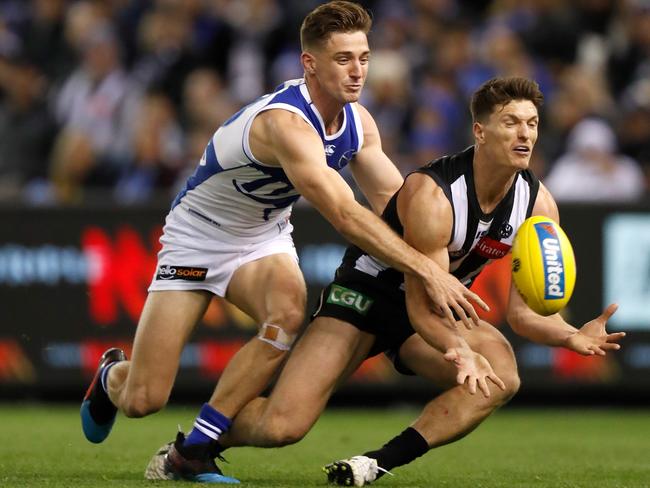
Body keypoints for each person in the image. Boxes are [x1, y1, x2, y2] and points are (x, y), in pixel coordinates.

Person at [80, 1, 488, 484]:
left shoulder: (360, 123)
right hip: (198, 236)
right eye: (343, 59)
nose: (358, 71)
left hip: (262, 235)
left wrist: (455, 240)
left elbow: (396, 207)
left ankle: (195, 450)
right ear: (309, 63)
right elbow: (344, 213)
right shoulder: (285, 124)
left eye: (363, 57)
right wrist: (428, 271)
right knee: (144, 399)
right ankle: (111, 377)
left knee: (288, 314)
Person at [145, 76, 625, 485]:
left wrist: (568, 335)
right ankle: (191, 445)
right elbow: (420, 301)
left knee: (501, 378)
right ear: (480, 131)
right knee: (282, 426)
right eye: (511, 123)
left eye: (533, 124)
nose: (525, 135)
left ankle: (374, 463)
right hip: (366, 296)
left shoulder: (538, 205)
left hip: (431, 311)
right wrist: (460, 349)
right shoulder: (434, 195)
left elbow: (522, 314)